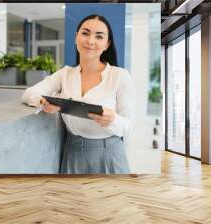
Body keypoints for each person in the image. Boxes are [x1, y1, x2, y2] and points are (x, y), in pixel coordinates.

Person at [21, 14, 135, 174]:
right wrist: (42, 102)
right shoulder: (65, 74)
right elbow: (28, 93)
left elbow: (128, 126)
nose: (90, 41)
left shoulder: (119, 76)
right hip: (72, 153)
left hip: (109, 155)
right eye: (85, 33)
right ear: (76, 37)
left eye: (99, 36)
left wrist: (113, 120)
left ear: (107, 44)